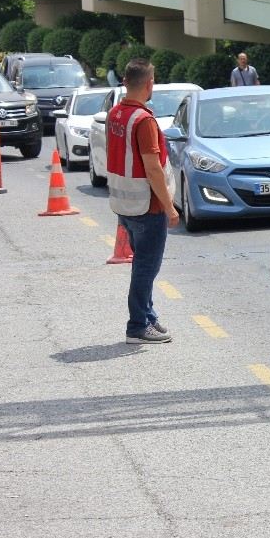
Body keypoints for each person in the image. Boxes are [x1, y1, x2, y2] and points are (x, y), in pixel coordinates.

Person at [106, 58, 180, 344]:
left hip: (124, 204)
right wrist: (169, 207)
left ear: (125, 82)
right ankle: (137, 326)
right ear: (150, 84)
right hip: (147, 206)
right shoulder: (144, 120)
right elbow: (152, 167)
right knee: (146, 268)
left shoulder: (116, 114)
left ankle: (148, 316)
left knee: (142, 264)